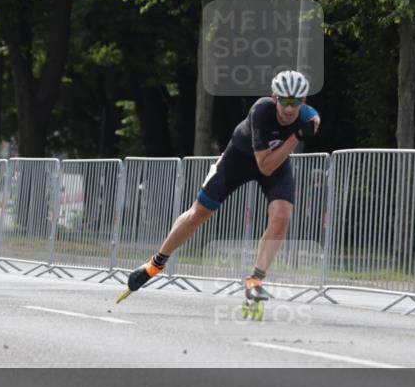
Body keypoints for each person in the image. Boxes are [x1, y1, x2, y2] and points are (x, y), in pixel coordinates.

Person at [117, 69, 320, 319]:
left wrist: (298, 134)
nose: (289, 108)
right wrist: (295, 138)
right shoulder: (261, 111)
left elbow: (274, 163)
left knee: (282, 216)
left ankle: (255, 281)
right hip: (239, 161)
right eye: (284, 101)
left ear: (304, 101)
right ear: (274, 98)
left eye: (296, 102)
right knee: (199, 213)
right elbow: (263, 166)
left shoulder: (310, 118)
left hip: (276, 163)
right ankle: (156, 263)